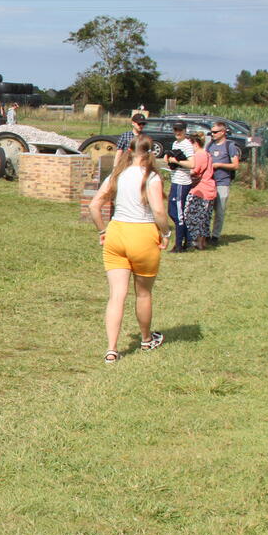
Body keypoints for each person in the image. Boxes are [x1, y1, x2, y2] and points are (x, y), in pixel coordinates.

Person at [88, 134, 171, 363]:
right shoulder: (151, 177)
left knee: (116, 295)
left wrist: (102, 231)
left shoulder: (117, 175)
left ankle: (112, 349)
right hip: (143, 235)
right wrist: (166, 233)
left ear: (130, 151)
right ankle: (146, 340)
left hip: (116, 233)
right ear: (151, 153)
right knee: (143, 293)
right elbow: (158, 211)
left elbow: (95, 206)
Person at [207, 121, 241, 244]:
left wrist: (220, 165)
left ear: (223, 132)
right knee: (207, 210)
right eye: (212, 132)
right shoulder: (210, 145)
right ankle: (205, 234)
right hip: (209, 182)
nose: (213, 134)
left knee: (219, 210)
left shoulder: (230, 146)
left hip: (222, 182)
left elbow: (236, 165)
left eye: (215, 132)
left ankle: (215, 236)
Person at [163, 121, 195, 252]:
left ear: (185, 131)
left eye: (180, 130)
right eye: (175, 130)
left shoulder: (187, 145)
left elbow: (192, 164)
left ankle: (179, 244)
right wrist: (169, 158)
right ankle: (188, 240)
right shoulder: (176, 143)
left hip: (182, 182)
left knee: (179, 214)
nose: (177, 132)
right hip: (175, 180)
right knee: (172, 211)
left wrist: (177, 161)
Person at [183, 132, 216, 250]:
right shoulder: (207, 154)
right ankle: (202, 242)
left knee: (191, 216)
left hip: (200, 190)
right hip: (209, 189)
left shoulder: (199, 155)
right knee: (204, 218)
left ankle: (197, 242)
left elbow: (194, 171)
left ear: (195, 144)